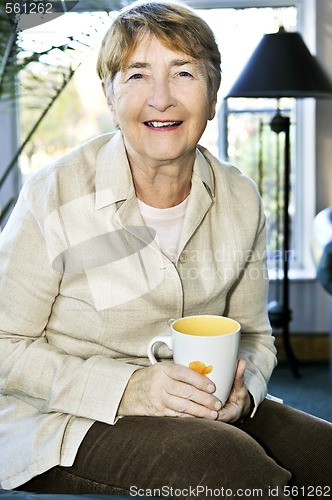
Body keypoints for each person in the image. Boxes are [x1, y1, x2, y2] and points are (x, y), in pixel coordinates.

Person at [0, 1, 331, 498]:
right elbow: (4, 345)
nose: (161, 98)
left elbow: (256, 338)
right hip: (62, 417)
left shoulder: (240, 198)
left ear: (213, 94)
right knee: (225, 466)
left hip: (205, 403)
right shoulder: (56, 192)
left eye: (183, 73)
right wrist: (129, 388)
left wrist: (245, 394)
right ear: (110, 97)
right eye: (136, 75)